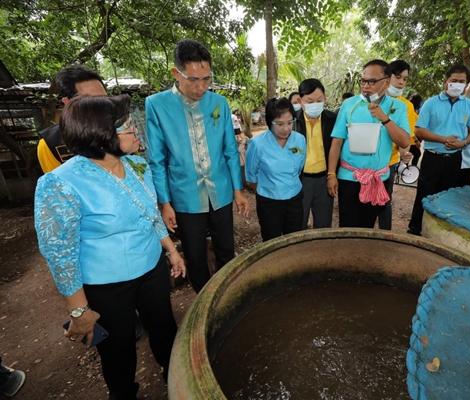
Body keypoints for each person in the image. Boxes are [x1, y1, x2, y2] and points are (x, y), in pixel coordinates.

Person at [34, 95, 186, 400]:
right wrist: (79, 310)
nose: (136, 132)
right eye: (128, 127)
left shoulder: (137, 165)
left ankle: (176, 382)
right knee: (118, 350)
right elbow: (60, 254)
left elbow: (149, 213)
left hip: (151, 269)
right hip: (107, 286)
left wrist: (170, 250)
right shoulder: (61, 183)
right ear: (103, 136)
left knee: (165, 329)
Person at [145, 39, 249, 294]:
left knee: (226, 248)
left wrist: (237, 190)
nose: (201, 87)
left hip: (220, 190)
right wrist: (165, 203)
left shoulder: (219, 103)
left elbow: (230, 151)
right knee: (195, 254)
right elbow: (157, 159)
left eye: (206, 79)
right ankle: (204, 301)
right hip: (185, 195)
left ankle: (229, 295)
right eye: (193, 79)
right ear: (176, 73)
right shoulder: (156, 105)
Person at [327, 59, 411, 228]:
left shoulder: (398, 106)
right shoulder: (349, 105)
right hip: (349, 177)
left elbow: (404, 141)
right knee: (347, 227)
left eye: (372, 81)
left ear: (386, 82)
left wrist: (384, 118)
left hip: (378, 178)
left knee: (367, 227)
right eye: (363, 81)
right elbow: (337, 142)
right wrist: (331, 174)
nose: (366, 86)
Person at [407, 65, 470, 236]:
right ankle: (415, 229)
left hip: (454, 158)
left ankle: (437, 233)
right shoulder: (431, 103)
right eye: (454, 80)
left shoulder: (469, 105)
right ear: (445, 81)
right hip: (433, 158)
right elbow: (419, 131)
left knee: (446, 196)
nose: (457, 84)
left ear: (466, 84)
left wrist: (463, 143)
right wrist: (443, 139)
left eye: (462, 81)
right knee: (424, 194)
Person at [246, 97, 306, 241]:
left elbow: (299, 169)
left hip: (294, 199)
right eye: (279, 124)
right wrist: (270, 189)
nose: (286, 128)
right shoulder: (257, 144)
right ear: (270, 122)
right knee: (271, 241)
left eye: (290, 122)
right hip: (269, 202)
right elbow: (251, 176)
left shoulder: (300, 140)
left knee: (294, 240)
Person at [37, 65, 107, 173]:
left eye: (103, 98)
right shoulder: (50, 144)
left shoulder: (123, 130)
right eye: (88, 100)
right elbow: (57, 182)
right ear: (68, 102)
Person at [378, 60, 418, 230]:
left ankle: (385, 236)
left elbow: (405, 137)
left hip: (389, 162)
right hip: (367, 161)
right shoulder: (374, 98)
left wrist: (404, 153)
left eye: (405, 79)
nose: (401, 82)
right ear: (387, 77)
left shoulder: (407, 106)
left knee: (385, 201)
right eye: (398, 77)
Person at [295, 78, 337, 229]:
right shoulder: (292, 121)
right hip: (300, 180)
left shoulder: (333, 120)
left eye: (319, 100)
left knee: (323, 224)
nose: (315, 105)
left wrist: (332, 175)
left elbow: (336, 149)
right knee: (298, 223)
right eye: (310, 101)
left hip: (324, 180)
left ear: (325, 97)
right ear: (300, 101)